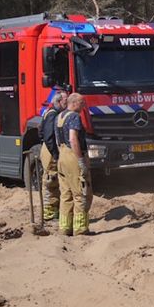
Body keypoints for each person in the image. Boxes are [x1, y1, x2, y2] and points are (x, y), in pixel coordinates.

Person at [54, 92, 94, 235]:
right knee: (81, 193)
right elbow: (73, 138)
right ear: (74, 103)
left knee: (66, 195)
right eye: (82, 103)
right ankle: (81, 229)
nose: (83, 106)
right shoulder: (74, 117)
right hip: (72, 156)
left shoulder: (59, 116)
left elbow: (58, 139)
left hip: (62, 156)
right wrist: (80, 160)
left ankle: (65, 228)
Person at [38, 88, 68, 223]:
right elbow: (49, 137)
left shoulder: (50, 112)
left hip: (48, 149)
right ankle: (49, 215)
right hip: (50, 151)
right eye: (65, 101)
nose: (67, 104)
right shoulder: (52, 114)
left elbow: (40, 132)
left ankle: (53, 212)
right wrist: (56, 155)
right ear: (59, 101)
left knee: (53, 181)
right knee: (51, 182)